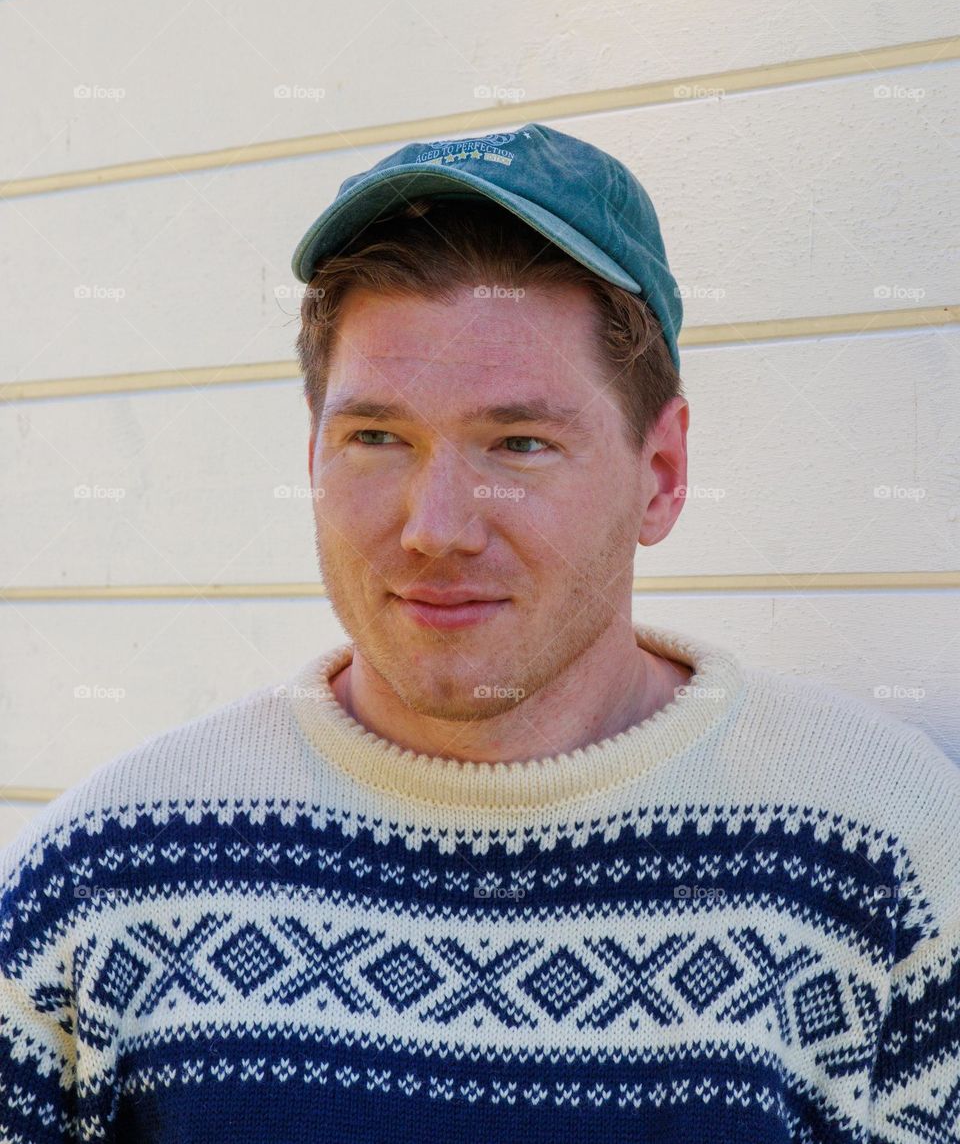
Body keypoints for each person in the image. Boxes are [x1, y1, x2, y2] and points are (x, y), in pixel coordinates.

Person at [2, 123, 958, 1144]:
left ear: (662, 472)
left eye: (519, 441)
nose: (436, 527)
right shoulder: (101, 881)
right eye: (377, 437)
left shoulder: (887, 856)